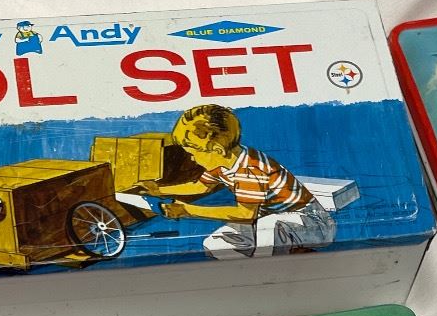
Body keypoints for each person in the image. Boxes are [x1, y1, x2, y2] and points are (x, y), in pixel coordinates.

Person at [138, 103, 335, 258]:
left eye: (193, 153)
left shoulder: (249, 169)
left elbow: (245, 213)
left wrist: (188, 210)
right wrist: (159, 190)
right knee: (215, 244)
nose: (191, 158)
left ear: (216, 150)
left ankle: (270, 267)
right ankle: (288, 254)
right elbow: (199, 186)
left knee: (269, 227)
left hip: (313, 224)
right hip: (265, 220)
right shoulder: (222, 163)